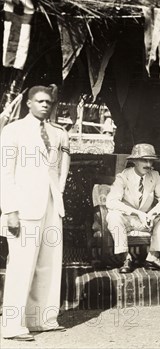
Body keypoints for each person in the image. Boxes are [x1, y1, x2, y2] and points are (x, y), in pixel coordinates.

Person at [0, 85, 71, 341]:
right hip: (23, 208)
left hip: (52, 205)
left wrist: (58, 195)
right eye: (40, 101)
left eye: (48, 102)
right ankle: (12, 325)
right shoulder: (13, 131)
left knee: (48, 263)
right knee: (21, 265)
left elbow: (62, 168)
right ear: (28, 103)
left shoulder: (59, 133)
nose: (45, 105)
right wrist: (10, 210)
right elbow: (5, 173)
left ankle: (42, 319)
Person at [105, 143, 160, 273]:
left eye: (151, 160)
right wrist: (137, 213)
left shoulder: (155, 176)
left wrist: (153, 213)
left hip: (146, 220)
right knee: (113, 215)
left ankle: (153, 257)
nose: (148, 164)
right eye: (144, 160)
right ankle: (125, 258)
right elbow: (111, 202)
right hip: (127, 220)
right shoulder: (123, 176)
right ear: (135, 161)